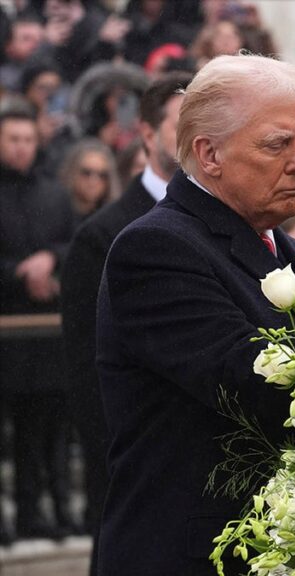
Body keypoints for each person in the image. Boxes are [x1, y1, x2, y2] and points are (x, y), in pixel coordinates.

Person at [94, 54, 295, 575]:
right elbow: (263, 385)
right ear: (209, 154)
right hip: (194, 558)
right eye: (277, 144)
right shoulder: (156, 248)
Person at [61, 71, 192, 576]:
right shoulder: (103, 235)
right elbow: (85, 366)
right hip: (132, 462)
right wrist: (114, 455)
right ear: (146, 133)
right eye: (181, 124)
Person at [0, 106, 76, 540]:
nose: (21, 147)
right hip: (7, 324)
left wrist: (51, 259)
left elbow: (71, 243)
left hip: (44, 335)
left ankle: (37, 512)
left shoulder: (53, 193)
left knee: (39, 431)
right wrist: (18, 272)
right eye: (13, 139)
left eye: (28, 139)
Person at [57, 138, 122, 225]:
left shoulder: (112, 221)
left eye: (102, 175)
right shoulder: (56, 214)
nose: (93, 181)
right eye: (87, 173)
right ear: (72, 172)